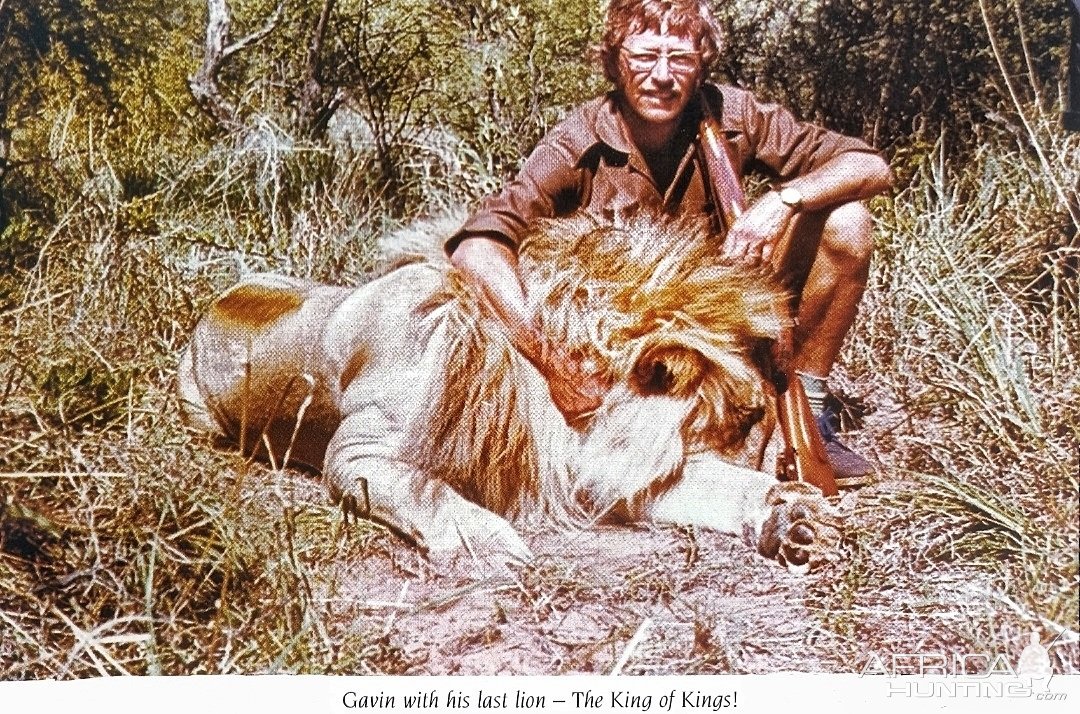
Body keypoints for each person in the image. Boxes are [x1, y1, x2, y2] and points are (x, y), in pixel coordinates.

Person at [446, 0, 893, 481]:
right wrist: (554, 363)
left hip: (727, 319)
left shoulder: (733, 113)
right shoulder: (576, 142)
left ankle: (810, 415)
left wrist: (783, 201)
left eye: (680, 58)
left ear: (701, 63)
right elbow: (476, 247)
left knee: (846, 222)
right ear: (615, 60)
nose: (662, 76)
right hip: (632, 347)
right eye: (645, 57)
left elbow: (870, 166)